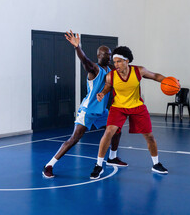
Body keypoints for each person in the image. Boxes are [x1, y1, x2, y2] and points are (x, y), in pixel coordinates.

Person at [42, 30, 127, 178]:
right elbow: (84, 60)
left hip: (101, 111)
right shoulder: (94, 69)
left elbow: (125, 70)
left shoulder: (111, 69)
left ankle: (112, 157)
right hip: (88, 110)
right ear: (99, 56)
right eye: (106, 54)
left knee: (117, 129)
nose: (109, 56)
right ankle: (49, 165)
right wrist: (77, 47)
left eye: (110, 54)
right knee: (74, 139)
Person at [90, 46, 168, 179]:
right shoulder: (111, 76)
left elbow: (155, 76)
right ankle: (98, 165)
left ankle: (156, 164)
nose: (116, 65)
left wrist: (168, 81)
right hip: (118, 107)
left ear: (127, 61)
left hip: (137, 106)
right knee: (109, 132)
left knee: (149, 136)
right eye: (114, 62)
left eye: (119, 61)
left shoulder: (139, 71)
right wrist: (102, 93)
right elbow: (108, 86)